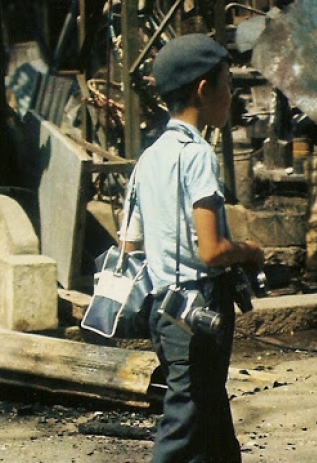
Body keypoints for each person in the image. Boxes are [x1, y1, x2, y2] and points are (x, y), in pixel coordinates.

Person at [121, 34, 264, 463]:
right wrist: (250, 250)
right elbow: (213, 252)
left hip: (163, 310)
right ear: (204, 89)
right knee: (184, 423)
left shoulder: (150, 157)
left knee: (210, 415)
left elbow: (129, 242)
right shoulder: (197, 154)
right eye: (227, 84)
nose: (232, 96)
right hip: (200, 308)